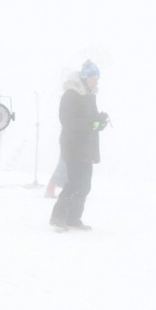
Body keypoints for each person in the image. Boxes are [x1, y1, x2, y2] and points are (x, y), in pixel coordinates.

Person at [49, 60, 108, 231]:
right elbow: (68, 120)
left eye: (97, 78)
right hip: (73, 146)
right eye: (93, 78)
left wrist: (100, 121)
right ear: (85, 77)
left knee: (85, 185)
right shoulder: (71, 94)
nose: (96, 81)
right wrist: (92, 124)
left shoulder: (89, 95)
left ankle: (73, 218)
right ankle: (58, 217)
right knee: (74, 183)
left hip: (86, 148)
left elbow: (91, 121)